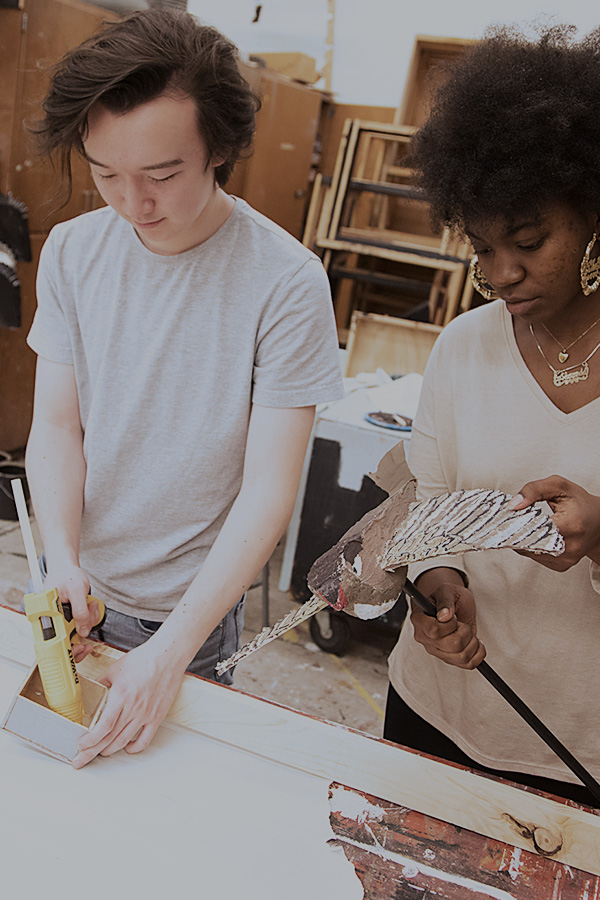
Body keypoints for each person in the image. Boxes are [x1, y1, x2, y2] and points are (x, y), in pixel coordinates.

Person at [25, 9, 343, 768]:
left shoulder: (287, 282)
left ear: (220, 150)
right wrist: (61, 557)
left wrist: (171, 653)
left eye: (162, 176)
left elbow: (269, 490)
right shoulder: (72, 251)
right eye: (106, 174)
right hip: (79, 595)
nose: (134, 204)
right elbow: (58, 427)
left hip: (191, 618)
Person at [383, 25, 600, 807]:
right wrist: (438, 587)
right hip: (436, 711)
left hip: (578, 750)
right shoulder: (463, 348)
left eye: (530, 241)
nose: (499, 273)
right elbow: (426, 510)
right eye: (480, 247)